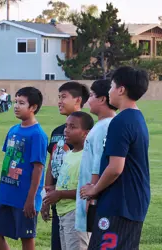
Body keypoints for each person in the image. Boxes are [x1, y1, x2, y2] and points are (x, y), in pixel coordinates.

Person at [81, 66, 150, 250]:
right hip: (130, 201)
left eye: (112, 86)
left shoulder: (121, 121)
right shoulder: (136, 117)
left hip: (120, 204)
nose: (110, 90)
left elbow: (116, 168)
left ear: (121, 89)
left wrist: (94, 189)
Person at [0, 87, 48, 250]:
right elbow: (8, 162)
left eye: (21, 103)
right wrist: (0, 191)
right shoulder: (13, 130)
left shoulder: (37, 135)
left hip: (24, 197)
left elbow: (38, 169)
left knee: (26, 237)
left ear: (33, 107)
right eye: (15, 102)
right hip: (7, 193)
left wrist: (31, 199)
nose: (16, 106)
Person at [41, 81, 89, 250]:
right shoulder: (57, 131)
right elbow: (51, 161)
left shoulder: (86, 131)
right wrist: (45, 197)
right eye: (58, 97)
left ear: (78, 100)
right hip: (57, 200)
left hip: (74, 203)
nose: (59, 101)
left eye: (63, 97)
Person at [74, 79, 116, 247]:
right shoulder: (101, 125)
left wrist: (91, 196)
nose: (88, 100)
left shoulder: (105, 127)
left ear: (102, 99)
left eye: (91, 95)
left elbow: (98, 163)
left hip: (93, 199)